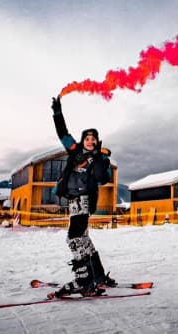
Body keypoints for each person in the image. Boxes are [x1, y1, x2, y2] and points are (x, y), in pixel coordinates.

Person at [51, 96, 116, 297]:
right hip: (73, 200)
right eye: (87, 138)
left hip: (84, 200)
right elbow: (63, 133)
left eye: (93, 139)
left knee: (74, 237)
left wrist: (101, 158)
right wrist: (57, 112)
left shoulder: (100, 158)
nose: (90, 141)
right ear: (83, 140)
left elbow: (102, 178)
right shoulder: (74, 150)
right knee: (83, 237)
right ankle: (98, 276)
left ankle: (84, 281)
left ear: (97, 142)